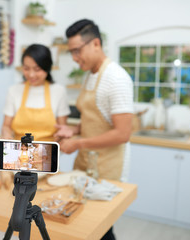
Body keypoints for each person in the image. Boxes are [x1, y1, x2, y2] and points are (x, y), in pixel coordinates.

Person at [55, 19, 134, 240]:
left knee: (101, 228)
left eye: (77, 51)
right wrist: (74, 130)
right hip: (88, 164)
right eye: (71, 52)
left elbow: (122, 133)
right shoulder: (91, 75)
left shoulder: (116, 79)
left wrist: (78, 142)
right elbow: (96, 118)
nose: (74, 57)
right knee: (87, 227)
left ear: (96, 44)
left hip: (108, 170)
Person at [1, 44, 70, 141]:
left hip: (47, 152)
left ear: (47, 68)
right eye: (26, 68)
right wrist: (6, 135)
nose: (31, 75)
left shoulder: (58, 91)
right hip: (20, 151)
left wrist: (60, 137)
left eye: (37, 69)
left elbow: (62, 128)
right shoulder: (13, 90)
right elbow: (6, 126)